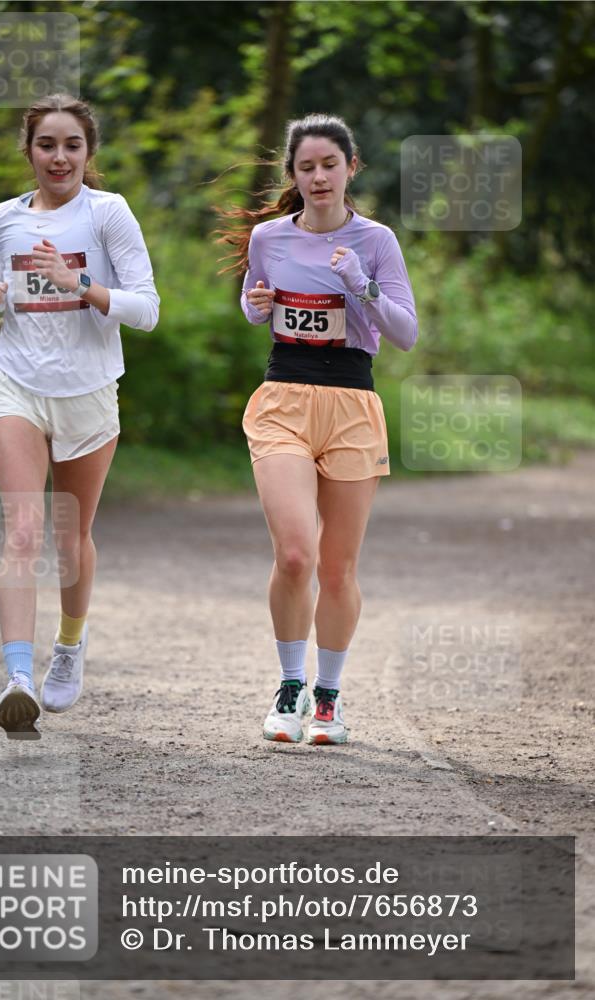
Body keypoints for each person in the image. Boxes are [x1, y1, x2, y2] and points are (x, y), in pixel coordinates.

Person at [216, 113, 417, 745]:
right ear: (293, 175)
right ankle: (289, 687)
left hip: (353, 402)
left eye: (330, 164)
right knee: (295, 553)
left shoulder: (377, 240)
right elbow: (255, 303)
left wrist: (361, 287)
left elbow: (405, 333)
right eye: (307, 167)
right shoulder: (270, 237)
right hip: (283, 397)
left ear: (351, 168)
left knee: (337, 567)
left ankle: (327, 700)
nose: (319, 176)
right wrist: (255, 305)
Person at [0, 94, 159, 738]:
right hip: (14, 382)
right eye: (46, 145)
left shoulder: (108, 214)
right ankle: (17, 677)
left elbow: (146, 309)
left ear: (88, 152)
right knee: (21, 531)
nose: (59, 157)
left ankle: (69, 647)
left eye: (71, 145)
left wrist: (79, 285)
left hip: (88, 390)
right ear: (29, 152)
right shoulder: (1, 219)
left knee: (71, 537)